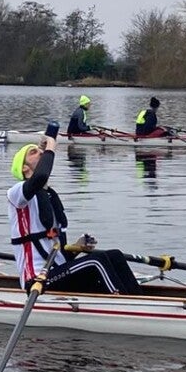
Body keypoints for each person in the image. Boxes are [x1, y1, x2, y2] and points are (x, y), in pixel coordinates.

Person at [8, 126, 141, 294]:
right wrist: (51, 146)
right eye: (33, 152)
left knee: (115, 255)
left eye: (40, 151)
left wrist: (77, 248)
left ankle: (138, 298)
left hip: (58, 272)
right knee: (97, 261)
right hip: (36, 280)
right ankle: (122, 303)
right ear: (24, 168)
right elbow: (40, 176)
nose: (40, 153)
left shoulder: (48, 197)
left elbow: (56, 252)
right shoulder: (16, 193)